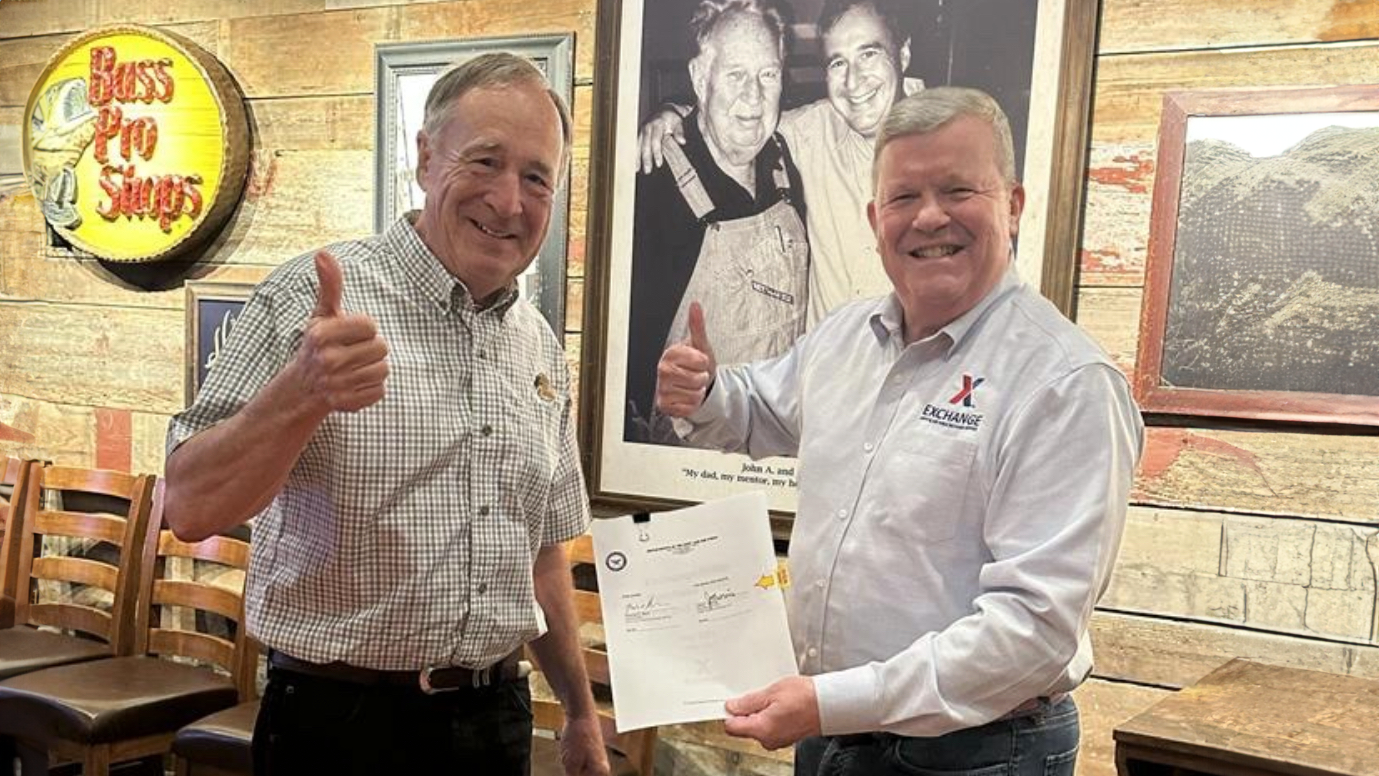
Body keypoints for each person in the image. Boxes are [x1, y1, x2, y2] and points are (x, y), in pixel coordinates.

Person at [655, 87, 1143, 776]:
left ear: (1012, 204)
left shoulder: (1065, 384)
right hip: (830, 732)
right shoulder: (845, 337)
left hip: (974, 753)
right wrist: (703, 390)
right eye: (903, 197)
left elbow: (1032, 632)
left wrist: (833, 703)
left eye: (957, 189)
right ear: (873, 217)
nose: (929, 217)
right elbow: (760, 410)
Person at [163, 53, 609, 776]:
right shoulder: (305, 300)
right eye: (485, 161)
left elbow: (542, 551)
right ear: (426, 158)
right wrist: (298, 395)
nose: (508, 201)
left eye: (536, 177)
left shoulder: (539, 347)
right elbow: (189, 506)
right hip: (341, 726)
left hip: (496, 720)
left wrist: (581, 713)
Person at [641, 0, 920, 329]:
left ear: (902, 55)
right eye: (837, 63)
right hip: (818, 377)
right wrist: (670, 111)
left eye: (869, 54)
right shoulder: (812, 131)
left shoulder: (964, 159)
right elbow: (742, 116)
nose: (854, 81)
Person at [624, 0, 809, 444]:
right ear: (699, 79)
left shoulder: (787, 164)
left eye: (768, 75)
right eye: (735, 75)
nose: (754, 96)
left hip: (779, 446)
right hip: (691, 462)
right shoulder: (650, 185)